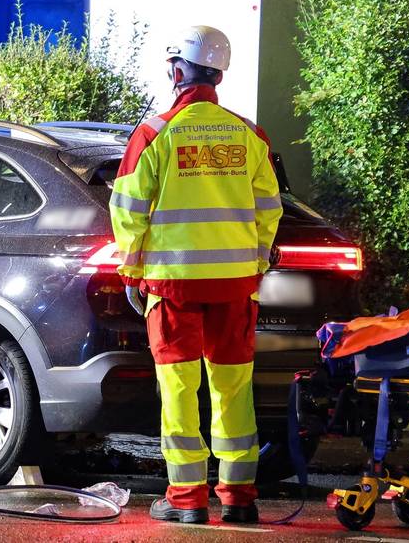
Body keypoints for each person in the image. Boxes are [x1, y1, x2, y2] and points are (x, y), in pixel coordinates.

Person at [109, 26, 283, 524]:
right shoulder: (249, 135)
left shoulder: (154, 133)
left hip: (173, 286)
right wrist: (255, 264)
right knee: (233, 389)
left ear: (178, 71)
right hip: (235, 288)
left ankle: (186, 502)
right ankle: (239, 497)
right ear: (219, 74)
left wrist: (131, 268)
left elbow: (128, 212)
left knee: (180, 391)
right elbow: (269, 210)